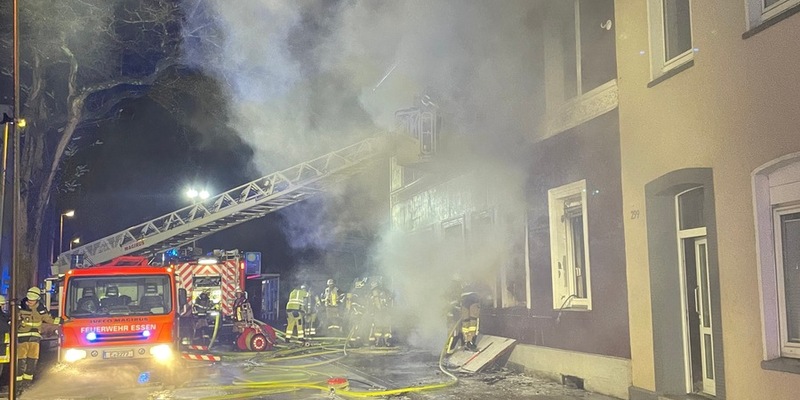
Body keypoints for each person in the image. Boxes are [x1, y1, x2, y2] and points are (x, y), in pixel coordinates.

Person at [17, 286, 60, 384]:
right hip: (22, 336)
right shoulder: (20, 307)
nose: (30, 301)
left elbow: (49, 319)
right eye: (29, 299)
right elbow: (14, 319)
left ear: (37, 299)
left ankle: (27, 382)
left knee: (32, 359)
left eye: (33, 299)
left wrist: (61, 320)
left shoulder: (41, 308)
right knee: (20, 360)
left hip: (35, 337)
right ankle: (18, 383)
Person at [367, 280, 393, 347]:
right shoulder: (384, 293)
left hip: (379, 313)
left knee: (379, 329)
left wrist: (371, 313)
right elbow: (389, 303)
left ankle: (378, 342)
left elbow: (370, 305)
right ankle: (385, 342)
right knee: (383, 328)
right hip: (382, 313)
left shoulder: (373, 295)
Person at [0, 295, 10, 380]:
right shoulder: (2, 317)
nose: (3, 306)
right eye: (2, 304)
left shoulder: (4, 316)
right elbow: (4, 328)